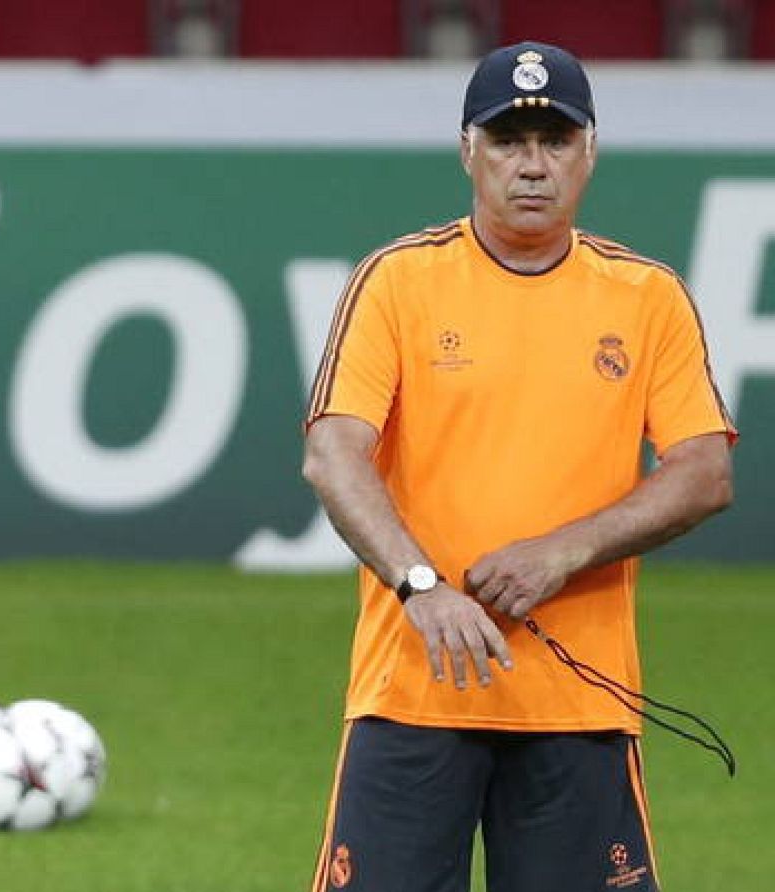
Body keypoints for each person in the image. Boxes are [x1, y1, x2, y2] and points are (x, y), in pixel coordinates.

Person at [302, 41, 737, 892]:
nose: (532, 165)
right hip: (411, 693)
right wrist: (422, 587)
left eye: (555, 141)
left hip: (579, 701)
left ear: (590, 152)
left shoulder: (647, 297)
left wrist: (562, 551)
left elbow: (704, 470)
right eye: (507, 141)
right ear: (467, 151)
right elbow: (332, 454)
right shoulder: (398, 281)